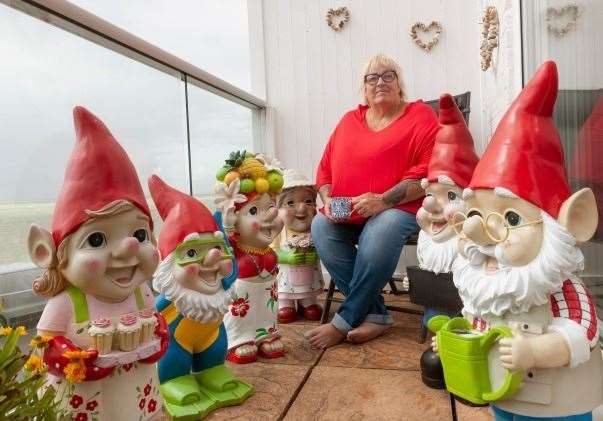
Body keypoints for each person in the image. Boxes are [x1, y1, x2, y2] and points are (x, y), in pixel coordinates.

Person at [307, 54, 439, 349]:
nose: (380, 82)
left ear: (399, 83)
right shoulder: (349, 120)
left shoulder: (420, 116)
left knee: (381, 227)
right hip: (348, 211)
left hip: (398, 208)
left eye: (388, 76)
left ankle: (345, 319)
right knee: (320, 226)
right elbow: (325, 169)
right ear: (364, 89)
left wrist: (382, 201)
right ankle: (376, 314)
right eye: (372, 78)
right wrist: (329, 201)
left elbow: (428, 176)